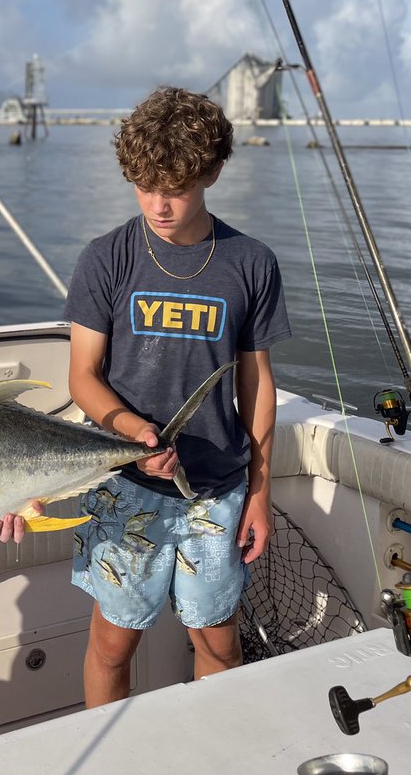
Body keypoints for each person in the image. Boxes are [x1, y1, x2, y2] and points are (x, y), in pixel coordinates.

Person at [64, 86, 291, 708]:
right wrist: (133, 435)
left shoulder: (250, 262)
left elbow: (257, 384)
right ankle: (107, 761)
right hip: (124, 481)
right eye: (144, 186)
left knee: (217, 644)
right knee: (113, 645)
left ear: (212, 173)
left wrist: (260, 494)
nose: (159, 205)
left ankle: (214, 762)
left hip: (216, 491)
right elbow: (83, 374)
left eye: (177, 188)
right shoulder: (106, 258)